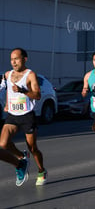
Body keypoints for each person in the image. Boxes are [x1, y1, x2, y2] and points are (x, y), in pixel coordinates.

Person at [0, 48, 47, 185]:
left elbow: (37, 96)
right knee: (3, 143)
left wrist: (23, 90)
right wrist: (7, 103)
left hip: (27, 116)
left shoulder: (30, 75)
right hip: (12, 115)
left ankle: (41, 171)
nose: (13, 62)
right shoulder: (8, 75)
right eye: (11, 59)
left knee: (33, 148)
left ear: (24, 59)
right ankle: (21, 156)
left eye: (16, 59)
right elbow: (5, 88)